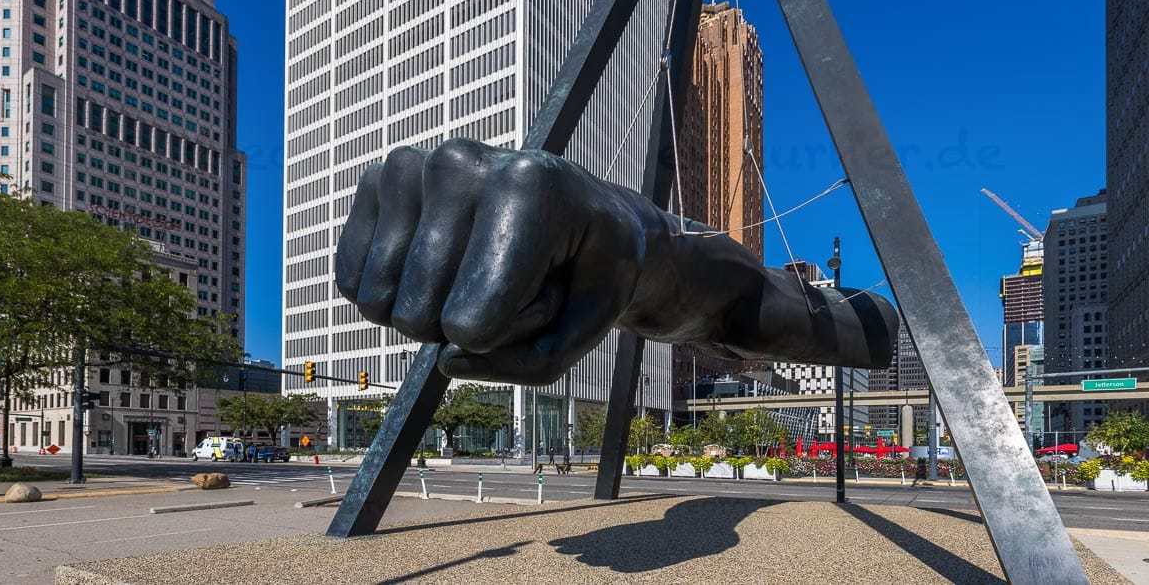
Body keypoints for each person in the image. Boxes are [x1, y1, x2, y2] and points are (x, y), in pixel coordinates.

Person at [335, 140, 898, 387]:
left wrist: (640, 252)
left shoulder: (750, 306)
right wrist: (636, 253)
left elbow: (873, 327)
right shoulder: (736, 305)